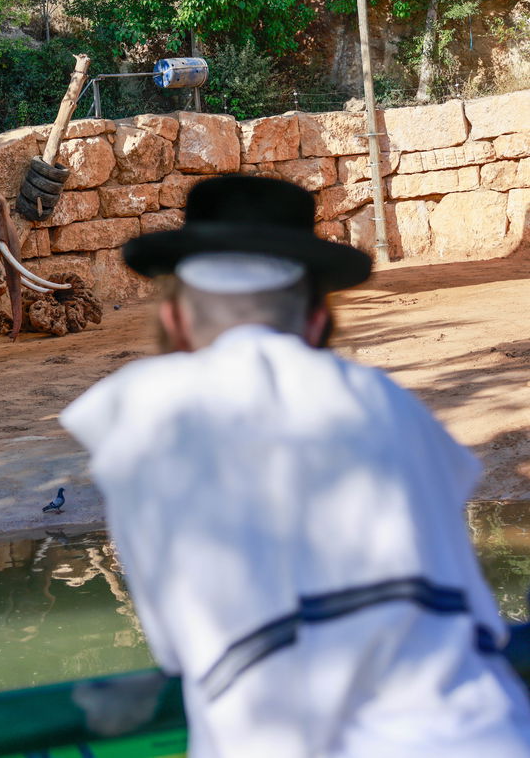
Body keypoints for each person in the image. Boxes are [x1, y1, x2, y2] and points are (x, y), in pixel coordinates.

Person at [59, 174, 530, 758]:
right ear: (316, 320)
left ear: (177, 320)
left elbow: (180, 646)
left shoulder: (147, 414)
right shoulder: (392, 407)